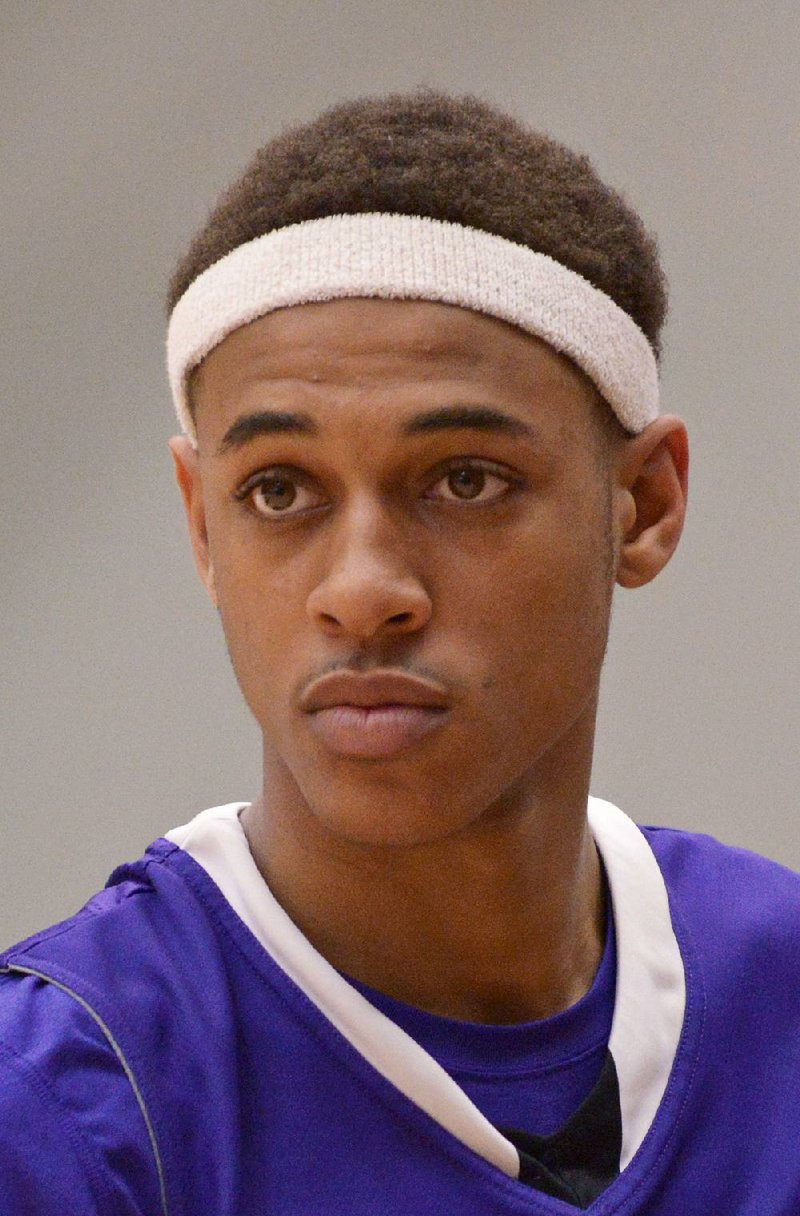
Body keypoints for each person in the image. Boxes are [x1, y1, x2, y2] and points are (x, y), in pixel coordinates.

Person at [1, 90, 798, 1216]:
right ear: (199, 523)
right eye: (278, 490)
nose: (362, 589)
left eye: (464, 480)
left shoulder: (779, 995)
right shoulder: (68, 1101)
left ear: (643, 503)